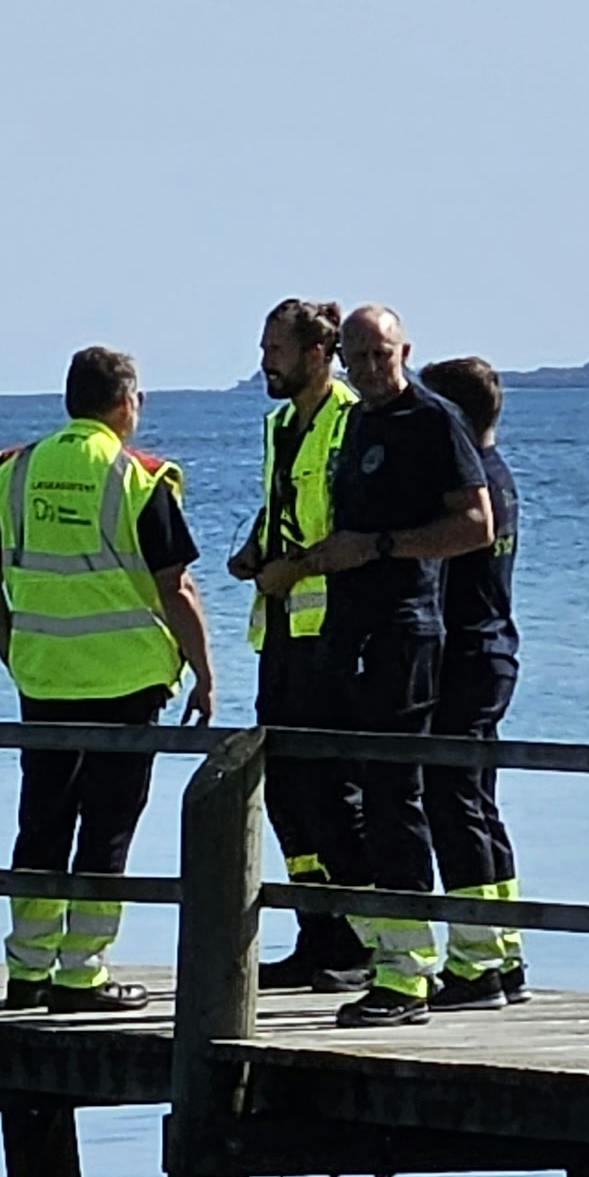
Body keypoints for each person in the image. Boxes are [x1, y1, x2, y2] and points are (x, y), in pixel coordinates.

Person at [259, 306, 495, 1027]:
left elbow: (477, 524)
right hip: (343, 629)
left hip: (403, 630)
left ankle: (408, 973)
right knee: (320, 787)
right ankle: (370, 948)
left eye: (379, 355)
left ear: (405, 351)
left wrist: (382, 546)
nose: (367, 369)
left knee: (395, 797)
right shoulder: (359, 419)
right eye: (357, 357)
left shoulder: (432, 419)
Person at [0, 346, 216, 1011]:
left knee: (40, 824)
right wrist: (203, 671)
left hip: (44, 677)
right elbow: (178, 589)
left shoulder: (16, 473)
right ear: (125, 401)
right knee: (106, 829)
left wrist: (17, 652)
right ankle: (82, 975)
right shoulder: (139, 478)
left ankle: (27, 970)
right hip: (127, 683)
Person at [223, 299, 366, 989]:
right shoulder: (279, 425)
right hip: (279, 631)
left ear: (317, 353)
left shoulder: (349, 421)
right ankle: (316, 932)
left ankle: (362, 940)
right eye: (262, 347)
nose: (264, 362)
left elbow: (353, 525)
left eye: (275, 349)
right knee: (284, 788)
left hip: (333, 634)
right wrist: (253, 549)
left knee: (334, 790)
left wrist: (298, 565)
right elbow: (282, 503)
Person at [416, 355, 524, 1006]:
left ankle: (474, 961)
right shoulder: (499, 476)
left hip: (463, 654)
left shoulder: (469, 489)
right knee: (478, 802)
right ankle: (504, 951)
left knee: (451, 801)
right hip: (494, 652)